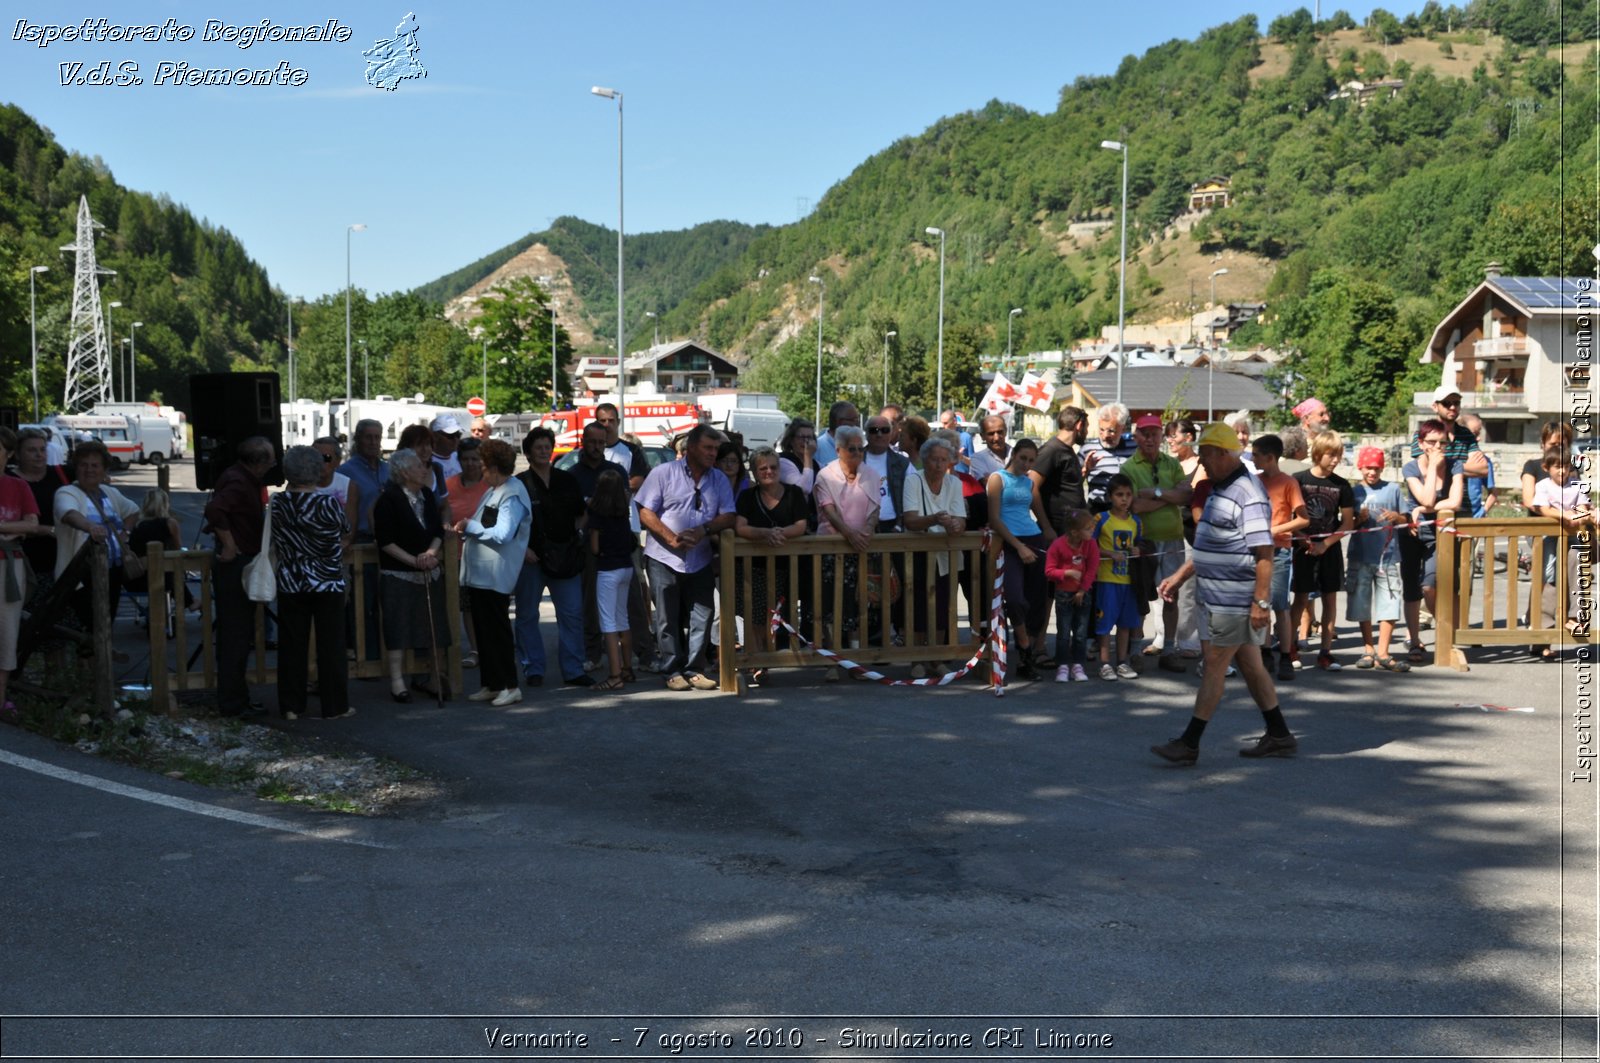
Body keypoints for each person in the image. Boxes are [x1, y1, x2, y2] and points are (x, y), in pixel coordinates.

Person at [1151, 423, 1297, 765]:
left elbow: (1264, 553)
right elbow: (1210, 546)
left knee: (1215, 664)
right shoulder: (1220, 487)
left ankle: (1189, 743)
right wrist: (1179, 575)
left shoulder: (1249, 492)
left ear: (1224, 454)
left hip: (1235, 600)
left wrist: (1261, 603)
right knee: (1250, 664)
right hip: (1219, 597)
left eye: (1206, 456)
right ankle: (1279, 735)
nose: (1202, 463)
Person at [637, 424, 737, 690]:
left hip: (700, 557)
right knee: (667, 616)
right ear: (691, 447)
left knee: (703, 614)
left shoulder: (719, 480)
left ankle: (694, 669)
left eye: (716, 449)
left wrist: (704, 529)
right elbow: (645, 511)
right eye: (707, 448)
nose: (713, 454)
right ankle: (671, 670)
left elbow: (729, 515)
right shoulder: (663, 473)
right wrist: (671, 537)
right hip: (663, 556)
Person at [271, 445, 353, 720]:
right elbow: (344, 530)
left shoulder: (278, 503)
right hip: (327, 582)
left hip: (291, 581)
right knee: (331, 647)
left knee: (292, 645)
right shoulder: (327, 503)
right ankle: (335, 706)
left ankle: (292, 705)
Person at [201, 436, 276, 718]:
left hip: (241, 561)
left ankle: (239, 699)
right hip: (235, 565)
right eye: (270, 460)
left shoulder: (239, 477)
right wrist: (230, 544)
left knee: (240, 635)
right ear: (260, 462)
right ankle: (232, 704)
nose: (272, 465)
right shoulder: (237, 481)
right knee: (234, 636)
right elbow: (215, 510)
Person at [454, 438, 532, 707]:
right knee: (485, 632)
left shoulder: (512, 492)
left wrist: (469, 526)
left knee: (497, 632)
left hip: (496, 575)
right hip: (482, 576)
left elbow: (503, 534)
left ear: (495, 467)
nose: (480, 470)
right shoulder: (497, 489)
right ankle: (492, 683)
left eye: (484, 466)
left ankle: (510, 686)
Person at [515, 426, 592, 688]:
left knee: (571, 614)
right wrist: (522, 549)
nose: (543, 451)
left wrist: (575, 533)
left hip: (564, 557)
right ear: (527, 452)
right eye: (538, 447)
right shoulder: (519, 484)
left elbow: (582, 513)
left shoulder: (566, 479)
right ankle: (533, 668)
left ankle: (573, 669)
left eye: (547, 446)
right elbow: (509, 523)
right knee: (526, 615)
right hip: (530, 559)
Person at [374, 448, 451, 702]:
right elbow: (385, 541)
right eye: (419, 466)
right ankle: (397, 681)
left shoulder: (428, 495)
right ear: (405, 471)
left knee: (433, 626)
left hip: (428, 569)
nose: (424, 469)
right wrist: (413, 561)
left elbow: (438, 530)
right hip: (398, 573)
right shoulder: (388, 499)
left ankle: (433, 677)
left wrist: (430, 553)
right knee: (398, 625)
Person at [1123, 413, 1193, 673]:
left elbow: (1187, 495)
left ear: (1162, 436)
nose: (1150, 438)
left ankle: (1170, 649)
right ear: (1137, 436)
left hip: (1173, 539)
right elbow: (1134, 505)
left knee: (1171, 596)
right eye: (1145, 433)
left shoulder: (1171, 464)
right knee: (1141, 596)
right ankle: (1134, 650)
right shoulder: (1129, 467)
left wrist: (1156, 493)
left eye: (1155, 433)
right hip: (1144, 540)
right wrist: (1169, 497)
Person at [734, 447, 810, 681]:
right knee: (754, 615)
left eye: (773, 467)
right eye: (763, 468)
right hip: (753, 565)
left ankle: (767, 656)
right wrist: (764, 533)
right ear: (755, 473)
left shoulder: (794, 493)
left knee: (774, 616)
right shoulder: (748, 496)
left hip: (786, 566)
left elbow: (801, 525)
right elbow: (740, 527)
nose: (769, 471)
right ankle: (759, 662)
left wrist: (779, 534)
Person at [54, 440, 141, 640]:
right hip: (81, 575)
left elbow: (133, 511)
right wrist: (90, 527)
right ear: (75, 468)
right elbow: (68, 513)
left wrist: (125, 534)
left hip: (113, 571)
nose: (89, 470)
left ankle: (101, 668)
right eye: (83, 465)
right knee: (90, 630)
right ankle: (92, 668)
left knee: (105, 627)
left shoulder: (109, 492)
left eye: (95, 465)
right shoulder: (67, 492)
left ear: (104, 469)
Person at [900, 435, 967, 677]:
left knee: (942, 606)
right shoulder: (913, 480)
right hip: (917, 551)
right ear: (925, 460)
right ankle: (917, 657)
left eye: (943, 460)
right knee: (917, 604)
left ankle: (937, 657)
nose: (939, 465)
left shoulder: (954, 483)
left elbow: (960, 517)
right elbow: (910, 519)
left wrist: (956, 526)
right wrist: (935, 519)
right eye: (934, 459)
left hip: (945, 553)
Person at [1290, 430, 1356, 670]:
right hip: (1302, 550)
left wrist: (1325, 544)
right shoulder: (1297, 479)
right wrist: (1300, 539)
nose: (1336, 459)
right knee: (1300, 599)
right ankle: (1290, 648)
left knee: (1330, 600)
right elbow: (1288, 516)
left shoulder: (1342, 486)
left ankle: (1325, 652)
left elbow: (1347, 522)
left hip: (1330, 551)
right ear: (1318, 453)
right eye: (1331, 454)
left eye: (1338, 455)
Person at [1401, 418, 1465, 662]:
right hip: (1412, 532)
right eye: (1431, 442)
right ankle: (1415, 641)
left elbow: (1455, 502)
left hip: (1439, 533)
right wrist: (1431, 472)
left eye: (1442, 442)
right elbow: (1426, 498)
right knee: (1411, 588)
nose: (1438, 448)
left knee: (1430, 584)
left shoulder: (1455, 465)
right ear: (1421, 443)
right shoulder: (1411, 468)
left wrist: (1421, 510)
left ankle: (1446, 634)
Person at [987, 438, 1052, 679]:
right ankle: (1023, 646)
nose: (1026, 463)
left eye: (1031, 460)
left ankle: (1029, 658)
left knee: (1037, 598)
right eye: (1023, 457)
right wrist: (1018, 546)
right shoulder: (998, 478)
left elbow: (1040, 515)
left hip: (1034, 539)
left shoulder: (1029, 482)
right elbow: (994, 518)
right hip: (1009, 543)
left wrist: (1050, 536)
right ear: (1013, 455)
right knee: (1014, 598)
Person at [813, 424, 876, 659]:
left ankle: (856, 657)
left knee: (859, 602)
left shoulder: (870, 473)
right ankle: (833, 658)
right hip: (831, 547)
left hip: (861, 547)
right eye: (852, 449)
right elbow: (828, 510)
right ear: (839, 450)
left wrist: (866, 532)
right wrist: (850, 534)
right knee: (830, 604)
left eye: (861, 448)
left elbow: (874, 509)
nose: (857, 453)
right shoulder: (825, 474)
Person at [1250, 434, 1309, 679]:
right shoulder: (1254, 481)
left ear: (1270, 457)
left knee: (1280, 605)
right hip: (1255, 549)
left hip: (1279, 550)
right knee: (1259, 602)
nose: (1252, 459)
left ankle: (1285, 654)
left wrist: (1275, 530)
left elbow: (1303, 518)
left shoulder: (1289, 483)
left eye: (1256, 455)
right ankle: (1264, 653)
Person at [1346, 446, 1409, 672]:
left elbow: (1406, 520)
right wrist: (1358, 520)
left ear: (1383, 468)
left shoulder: (1393, 490)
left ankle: (1383, 651)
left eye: (1376, 468)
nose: (1372, 472)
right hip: (1359, 556)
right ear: (1360, 467)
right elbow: (1346, 526)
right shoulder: (1353, 492)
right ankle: (1368, 648)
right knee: (1362, 603)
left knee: (1389, 603)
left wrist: (1396, 516)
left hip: (1387, 557)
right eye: (1368, 468)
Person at [1528, 446, 1595, 653]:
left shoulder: (1578, 485)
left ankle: (1574, 617)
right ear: (1546, 467)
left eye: (1566, 466)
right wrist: (1565, 515)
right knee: (1549, 574)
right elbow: (1541, 508)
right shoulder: (1543, 485)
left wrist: (1578, 515)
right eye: (1557, 467)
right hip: (1550, 537)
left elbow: (1583, 510)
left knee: (1579, 568)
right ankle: (1544, 627)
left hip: (1574, 537)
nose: (1562, 471)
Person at [0, 427, 44, 715]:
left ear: (8, 454)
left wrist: (4, 528)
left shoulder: (18, 487)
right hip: (9, 556)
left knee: (7, 631)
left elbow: (32, 524)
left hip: (8, 566)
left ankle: (0, 698)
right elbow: (26, 526)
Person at [338, 418, 388, 661]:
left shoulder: (388, 468)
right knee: (361, 602)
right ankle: (364, 655)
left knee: (383, 601)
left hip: (387, 542)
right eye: (368, 437)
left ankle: (381, 654)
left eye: (377, 437)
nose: (373, 442)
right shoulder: (346, 472)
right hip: (360, 541)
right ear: (357, 439)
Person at [588, 469, 638, 691]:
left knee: (607, 622)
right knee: (622, 619)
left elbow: (595, 547)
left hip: (607, 570)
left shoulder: (598, 515)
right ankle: (627, 668)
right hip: (626, 567)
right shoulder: (623, 513)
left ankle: (614, 675)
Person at [444, 436, 488, 668]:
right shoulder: (449, 485)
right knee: (468, 606)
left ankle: (491, 645)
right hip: (459, 555)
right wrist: (446, 527)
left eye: (475, 459)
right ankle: (475, 649)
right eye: (465, 459)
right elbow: (443, 514)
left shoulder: (491, 484)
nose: (470, 464)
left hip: (487, 554)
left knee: (489, 603)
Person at [1093, 473, 1142, 681]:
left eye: (1128, 495)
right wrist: (1110, 554)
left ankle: (1122, 662)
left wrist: (1137, 549)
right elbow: (1091, 546)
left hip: (1129, 581)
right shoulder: (1101, 519)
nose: (1124, 499)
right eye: (1119, 494)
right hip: (1107, 580)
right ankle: (1104, 663)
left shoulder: (1136, 522)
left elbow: (1139, 543)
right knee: (1105, 623)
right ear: (1110, 496)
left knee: (1125, 624)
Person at [1045, 509, 1099, 683]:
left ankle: (1078, 665)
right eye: (1088, 528)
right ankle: (1062, 666)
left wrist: (1083, 590)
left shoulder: (1091, 544)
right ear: (1075, 532)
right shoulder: (1058, 545)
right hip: (1063, 594)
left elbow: (1092, 569)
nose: (1092, 531)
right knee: (1063, 632)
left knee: (1081, 632)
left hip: (1083, 593)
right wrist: (1067, 573)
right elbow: (1049, 571)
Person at [12, 428, 72, 583]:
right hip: (22, 557)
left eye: (42, 449)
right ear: (17, 454)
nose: (39, 455)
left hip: (61, 556)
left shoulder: (62, 473)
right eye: (32, 450)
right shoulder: (8, 480)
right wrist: (47, 530)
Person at [124, 488, 190, 608]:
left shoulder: (137, 524)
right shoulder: (170, 523)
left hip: (134, 579)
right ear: (165, 504)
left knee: (166, 573)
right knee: (171, 572)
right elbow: (178, 550)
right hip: (160, 579)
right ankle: (189, 603)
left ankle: (187, 603)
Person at [1031, 406, 1087, 540]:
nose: (1087, 432)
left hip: (1071, 529)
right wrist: (1046, 527)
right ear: (1079, 425)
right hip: (1057, 530)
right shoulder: (1051, 450)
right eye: (1086, 427)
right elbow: (1031, 486)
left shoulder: (1068, 450)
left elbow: (1066, 486)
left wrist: (1086, 471)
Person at [1081, 403, 1134, 511]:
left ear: (1122, 429)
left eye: (1111, 431)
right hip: (1097, 510)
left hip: (1126, 512)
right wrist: (1085, 472)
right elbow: (1073, 483)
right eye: (1101, 429)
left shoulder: (1133, 447)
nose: (1105, 435)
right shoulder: (1088, 449)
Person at [862, 414, 910, 532]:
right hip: (861, 525)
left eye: (884, 430)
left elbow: (910, 498)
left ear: (891, 433)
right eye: (874, 430)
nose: (879, 435)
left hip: (892, 526)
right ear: (866, 433)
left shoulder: (903, 463)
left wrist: (899, 525)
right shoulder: (855, 460)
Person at [311, 436, 359, 545]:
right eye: (315, 458)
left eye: (326, 458)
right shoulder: (299, 484)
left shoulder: (349, 486)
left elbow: (349, 529)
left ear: (337, 461)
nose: (320, 463)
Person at [398, 423, 447, 509]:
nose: (425, 449)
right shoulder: (399, 472)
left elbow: (445, 506)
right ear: (407, 448)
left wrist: (445, 521)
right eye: (419, 445)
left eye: (428, 444)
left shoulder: (437, 469)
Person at [1458, 413, 1497, 518]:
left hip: (1473, 517)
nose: (1479, 438)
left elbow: (1493, 492)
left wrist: (1483, 511)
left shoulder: (1484, 461)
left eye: (1479, 433)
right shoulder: (1450, 457)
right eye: (1475, 434)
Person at [777, 417, 820, 499]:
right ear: (791, 440)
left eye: (809, 437)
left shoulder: (816, 464)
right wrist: (808, 456)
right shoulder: (783, 461)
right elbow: (804, 488)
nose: (806, 441)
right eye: (801, 437)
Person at [814, 401, 860, 468]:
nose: (856, 425)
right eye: (853, 420)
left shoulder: (859, 447)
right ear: (840, 422)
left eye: (857, 420)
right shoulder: (816, 448)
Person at [968, 414, 1012, 480]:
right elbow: (988, 485)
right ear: (982, 436)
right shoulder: (978, 459)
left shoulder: (1019, 454)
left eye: (1000, 432)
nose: (996, 438)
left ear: (1005, 432)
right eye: (991, 434)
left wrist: (995, 480)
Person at [430, 414, 465, 481]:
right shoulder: (427, 462)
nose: (455, 440)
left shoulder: (458, 457)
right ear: (435, 436)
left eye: (458, 435)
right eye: (450, 436)